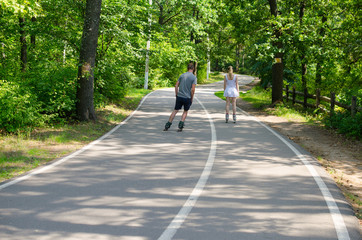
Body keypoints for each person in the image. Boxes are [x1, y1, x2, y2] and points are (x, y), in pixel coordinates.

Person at [164, 63, 197, 132]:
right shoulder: (194, 77)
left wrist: (176, 94)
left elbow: (176, 86)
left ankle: (168, 124)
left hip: (179, 96)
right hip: (187, 97)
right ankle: (181, 125)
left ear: (187, 68)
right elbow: (193, 90)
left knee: (175, 110)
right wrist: (191, 98)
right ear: (193, 69)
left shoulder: (182, 75)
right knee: (185, 111)